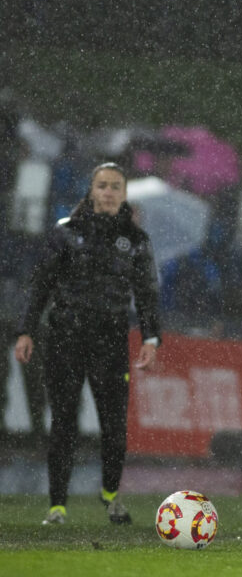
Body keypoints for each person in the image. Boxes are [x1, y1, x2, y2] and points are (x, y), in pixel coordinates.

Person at [15, 162, 161, 526]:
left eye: (115, 186)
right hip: (65, 338)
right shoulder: (66, 232)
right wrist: (26, 330)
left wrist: (151, 337)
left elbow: (146, 294)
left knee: (114, 425)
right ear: (91, 191)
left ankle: (110, 495)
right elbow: (42, 286)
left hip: (110, 342)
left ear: (124, 194)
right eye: (102, 185)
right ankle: (57, 505)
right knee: (64, 422)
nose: (109, 192)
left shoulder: (137, 240)